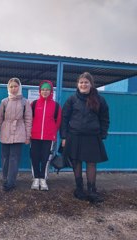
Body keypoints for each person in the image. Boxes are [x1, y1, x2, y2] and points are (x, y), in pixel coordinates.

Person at [61, 72, 109, 203]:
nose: (83, 84)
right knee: (76, 162)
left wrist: (103, 134)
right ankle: (79, 189)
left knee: (91, 163)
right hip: (74, 136)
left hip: (92, 137)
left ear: (91, 84)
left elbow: (105, 118)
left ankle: (92, 191)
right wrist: (64, 136)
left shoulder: (99, 100)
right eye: (81, 82)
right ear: (78, 84)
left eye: (86, 82)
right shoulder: (72, 99)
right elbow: (64, 118)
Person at [0, 78, 32, 192]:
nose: (13, 89)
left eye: (15, 86)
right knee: (5, 157)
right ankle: (5, 178)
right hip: (6, 132)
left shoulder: (25, 102)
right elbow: (0, 118)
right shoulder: (4, 102)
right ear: (8, 88)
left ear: (19, 87)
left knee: (14, 158)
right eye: (11, 86)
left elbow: (28, 120)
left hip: (19, 132)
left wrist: (27, 136)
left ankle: (11, 182)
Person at [30, 80, 62, 191]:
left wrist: (52, 133)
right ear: (40, 91)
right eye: (43, 89)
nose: (45, 91)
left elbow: (58, 122)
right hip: (34, 137)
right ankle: (36, 179)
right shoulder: (34, 104)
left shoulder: (56, 106)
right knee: (35, 158)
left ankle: (43, 179)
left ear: (51, 91)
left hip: (48, 138)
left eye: (47, 89)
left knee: (46, 158)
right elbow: (30, 120)